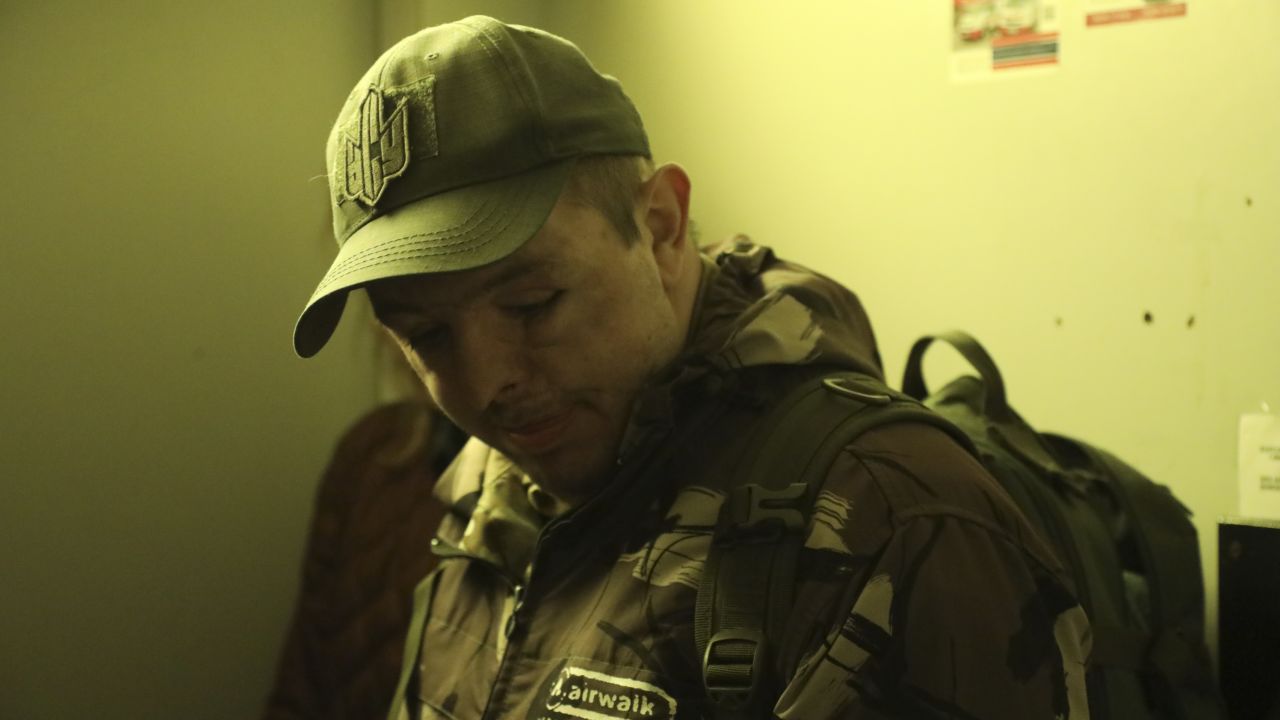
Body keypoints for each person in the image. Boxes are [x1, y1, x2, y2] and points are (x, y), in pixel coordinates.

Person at [292, 16, 1091, 720]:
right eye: (425, 334)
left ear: (662, 227)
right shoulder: (489, 483)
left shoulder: (898, 518)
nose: (483, 384)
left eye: (533, 304)